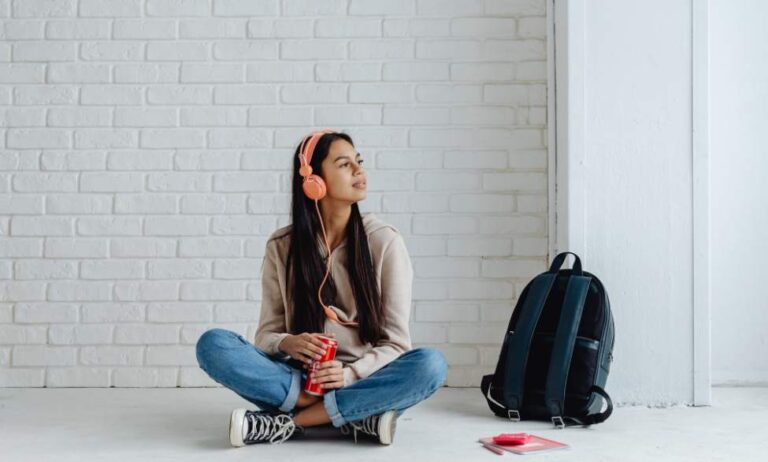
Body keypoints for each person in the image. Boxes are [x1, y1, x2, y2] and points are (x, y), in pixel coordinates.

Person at [195, 129, 448, 447]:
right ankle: (354, 417)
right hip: (300, 381)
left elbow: (396, 345)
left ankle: (289, 423)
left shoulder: (385, 242)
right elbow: (266, 337)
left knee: (431, 365)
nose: (359, 170)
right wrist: (289, 343)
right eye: (344, 164)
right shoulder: (282, 246)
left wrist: (349, 376)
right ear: (312, 180)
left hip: (363, 378)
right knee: (213, 344)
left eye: (359, 161)